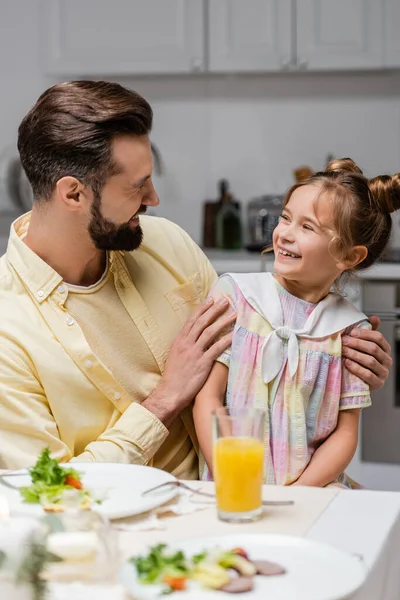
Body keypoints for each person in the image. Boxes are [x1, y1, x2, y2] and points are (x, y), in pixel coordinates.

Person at [0, 82, 392, 475]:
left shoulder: (167, 242)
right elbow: (46, 490)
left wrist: (341, 359)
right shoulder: (8, 329)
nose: (154, 198)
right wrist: (165, 400)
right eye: (137, 187)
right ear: (73, 194)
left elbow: (263, 351)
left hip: (237, 503)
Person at [194, 158, 399, 487]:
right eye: (286, 218)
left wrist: (297, 495)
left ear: (350, 256)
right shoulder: (237, 297)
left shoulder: (349, 332)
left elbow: (345, 434)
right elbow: (209, 399)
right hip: (233, 484)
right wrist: (230, 475)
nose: (285, 234)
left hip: (311, 492)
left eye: (308, 227)